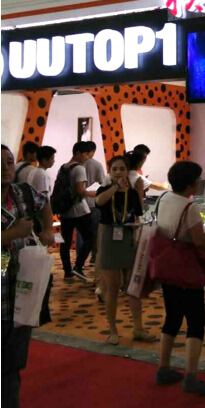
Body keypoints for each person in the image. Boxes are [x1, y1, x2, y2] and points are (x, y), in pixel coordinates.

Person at [155, 161, 205, 396]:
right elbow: (199, 241)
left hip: (166, 267)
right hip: (187, 270)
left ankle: (163, 368)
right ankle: (191, 376)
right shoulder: (189, 207)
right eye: (198, 179)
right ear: (190, 183)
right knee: (196, 321)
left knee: (172, 317)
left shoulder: (163, 199)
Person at [2, 144, 55, 408]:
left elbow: (44, 202)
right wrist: (12, 234)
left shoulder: (21, 192)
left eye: (9, 162)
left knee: (12, 365)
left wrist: (48, 229)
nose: (5, 168)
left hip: (21, 292)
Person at [94, 156, 155, 345]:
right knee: (112, 288)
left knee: (133, 287)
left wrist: (137, 233)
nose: (118, 172)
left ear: (127, 171)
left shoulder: (133, 194)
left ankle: (138, 328)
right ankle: (113, 330)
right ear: (110, 171)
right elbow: (99, 202)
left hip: (128, 238)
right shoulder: (104, 189)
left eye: (122, 169)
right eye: (114, 169)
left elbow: (137, 215)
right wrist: (115, 187)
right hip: (109, 239)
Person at [57, 142, 96, 281]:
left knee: (65, 242)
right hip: (79, 210)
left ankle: (67, 272)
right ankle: (78, 266)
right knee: (90, 238)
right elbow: (80, 190)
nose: (87, 157)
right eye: (85, 154)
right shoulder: (79, 168)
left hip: (65, 211)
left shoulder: (63, 167)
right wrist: (91, 193)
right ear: (78, 153)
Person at [83, 141, 105, 265]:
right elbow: (102, 183)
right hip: (93, 202)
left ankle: (80, 258)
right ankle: (94, 256)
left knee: (81, 233)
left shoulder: (77, 164)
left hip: (79, 204)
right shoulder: (97, 165)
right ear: (93, 151)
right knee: (95, 231)